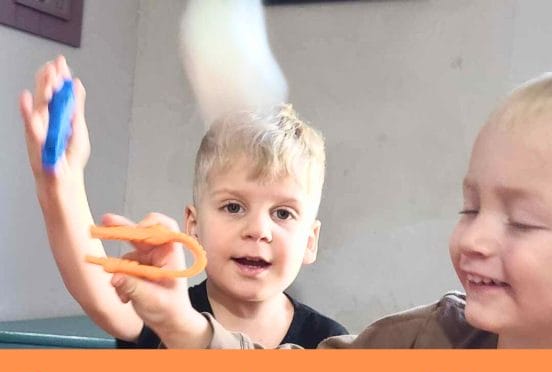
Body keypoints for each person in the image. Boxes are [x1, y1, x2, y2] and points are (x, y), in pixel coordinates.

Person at [115, 66, 552, 350]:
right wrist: (184, 328)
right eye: (470, 209)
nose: (473, 239)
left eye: (521, 222)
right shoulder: (424, 341)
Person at [20, 56, 348, 350]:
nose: (258, 230)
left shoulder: (328, 342)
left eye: (283, 213)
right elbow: (102, 293)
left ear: (309, 241)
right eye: (233, 207)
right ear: (193, 226)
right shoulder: (165, 309)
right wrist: (60, 182)